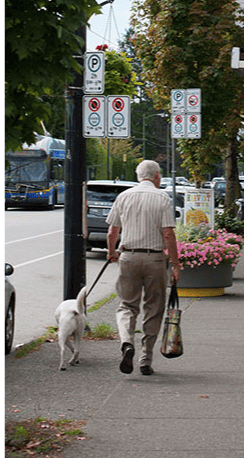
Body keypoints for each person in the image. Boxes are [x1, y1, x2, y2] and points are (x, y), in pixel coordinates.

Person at [106, 159, 181, 375]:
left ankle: (127, 342)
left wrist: (112, 253)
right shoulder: (162, 198)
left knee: (127, 306)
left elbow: (112, 232)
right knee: (153, 308)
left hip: (128, 257)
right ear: (157, 176)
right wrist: (175, 264)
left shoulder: (124, 196)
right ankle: (145, 360)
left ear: (139, 176)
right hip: (155, 260)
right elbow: (168, 234)